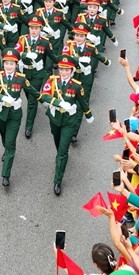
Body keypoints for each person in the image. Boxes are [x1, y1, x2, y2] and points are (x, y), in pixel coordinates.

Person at [0, 50, 31, 187]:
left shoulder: (21, 78)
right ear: (3, 64)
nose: (9, 66)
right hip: (1, 113)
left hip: (15, 115)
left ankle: (6, 175)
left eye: (11, 63)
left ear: (16, 65)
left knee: (10, 143)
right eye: (6, 63)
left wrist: (47, 101)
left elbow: (32, 92)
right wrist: (2, 98)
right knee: (4, 136)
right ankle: (6, 149)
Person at [39, 56, 84, 195]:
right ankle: (60, 157)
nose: (64, 72)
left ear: (72, 70)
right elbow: (44, 95)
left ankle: (57, 181)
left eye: (67, 70)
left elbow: (82, 102)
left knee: (63, 150)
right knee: (57, 142)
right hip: (55, 118)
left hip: (69, 121)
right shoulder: (52, 81)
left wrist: (87, 114)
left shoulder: (76, 85)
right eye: (62, 69)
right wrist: (59, 103)